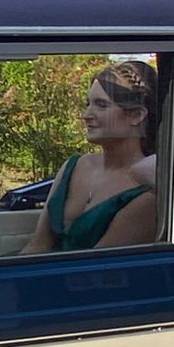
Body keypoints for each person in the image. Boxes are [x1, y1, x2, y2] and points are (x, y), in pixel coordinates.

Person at [19, 60, 160, 254]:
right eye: (88, 104)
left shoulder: (147, 192)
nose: (87, 115)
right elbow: (38, 244)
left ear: (137, 115)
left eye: (101, 105)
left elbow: (97, 265)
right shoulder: (75, 165)